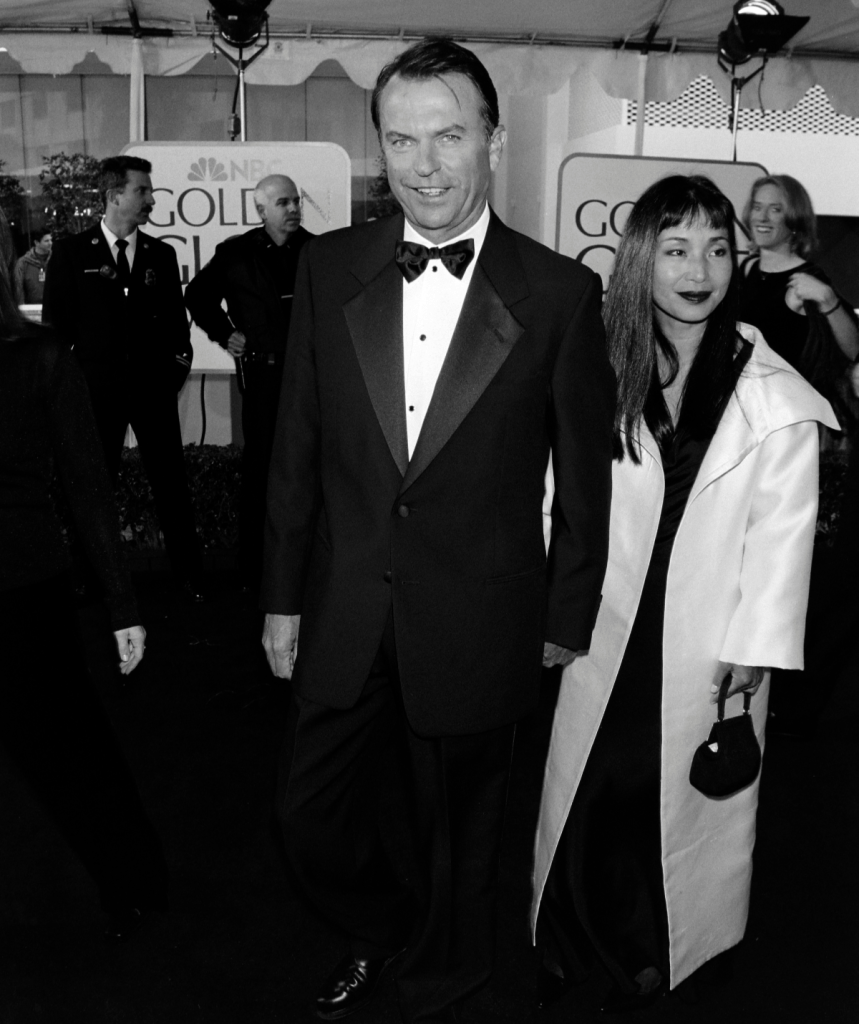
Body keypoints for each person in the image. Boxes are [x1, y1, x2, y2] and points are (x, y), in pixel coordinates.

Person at [260, 37, 615, 1024]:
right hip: (344, 600)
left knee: (462, 837)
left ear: (492, 140)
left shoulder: (556, 293)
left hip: (481, 611)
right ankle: (382, 925)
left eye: (448, 135)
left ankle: (437, 978)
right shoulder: (331, 270)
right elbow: (297, 444)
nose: (422, 164)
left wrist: (565, 614)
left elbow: (585, 480)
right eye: (401, 138)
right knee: (308, 813)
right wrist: (281, 595)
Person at [531, 175, 838, 1013]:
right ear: (641, 259)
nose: (697, 268)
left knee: (665, 803)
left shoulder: (765, 382)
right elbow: (558, 495)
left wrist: (753, 646)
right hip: (607, 619)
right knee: (589, 783)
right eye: (674, 249)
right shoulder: (602, 359)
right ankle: (569, 932)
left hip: (706, 630)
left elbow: (783, 531)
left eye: (714, 247)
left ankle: (658, 945)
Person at [0, 269, 168, 941]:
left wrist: (122, 603)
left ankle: (134, 881)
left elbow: (87, 484)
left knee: (68, 752)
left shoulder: (40, 356)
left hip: (20, 591)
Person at [42, 155, 206, 600]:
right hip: (97, 398)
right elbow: (56, 334)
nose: (152, 199)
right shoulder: (72, 254)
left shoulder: (162, 255)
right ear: (115, 196)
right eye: (143, 191)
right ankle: (86, 580)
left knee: (172, 487)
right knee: (94, 490)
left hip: (153, 395)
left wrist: (173, 372)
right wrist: (74, 389)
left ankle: (190, 579)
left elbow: (177, 326)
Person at [184, 174, 312, 590]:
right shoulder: (235, 254)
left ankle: (309, 564)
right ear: (261, 210)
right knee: (261, 472)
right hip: (263, 378)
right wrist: (225, 333)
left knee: (310, 468)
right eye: (283, 203)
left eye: (296, 201)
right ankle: (254, 570)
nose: (293, 209)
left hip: (310, 379)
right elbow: (198, 296)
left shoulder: (317, 250)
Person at [739, 173, 859, 410]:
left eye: (775, 209)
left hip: (784, 413)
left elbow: (854, 349)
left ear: (795, 220)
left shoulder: (807, 279)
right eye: (757, 207)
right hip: (743, 405)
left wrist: (829, 301)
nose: (762, 217)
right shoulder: (746, 268)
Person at [13, 229, 52, 304]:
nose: (50, 243)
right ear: (37, 243)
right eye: (46, 241)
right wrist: (22, 308)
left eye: (51, 240)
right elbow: (18, 288)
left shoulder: (56, 259)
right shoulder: (23, 263)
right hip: (33, 308)